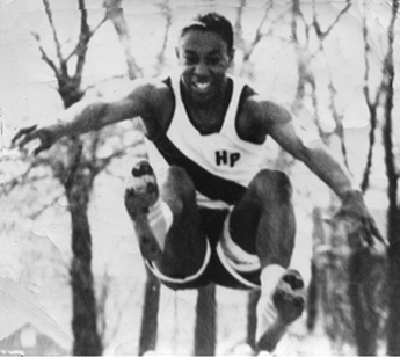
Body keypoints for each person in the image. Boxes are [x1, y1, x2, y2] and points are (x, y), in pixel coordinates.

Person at [12, 12, 384, 355]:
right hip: (182, 247)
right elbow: (104, 107)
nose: (201, 69)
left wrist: (350, 193)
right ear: (178, 57)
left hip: (239, 247)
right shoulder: (157, 97)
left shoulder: (253, 108)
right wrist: (56, 127)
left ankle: (273, 297)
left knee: (275, 183)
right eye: (191, 58)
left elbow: (306, 144)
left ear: (230, 59)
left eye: (213, 58)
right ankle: (150, 221)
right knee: (176, 177)